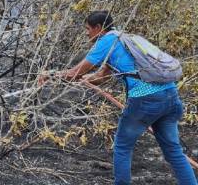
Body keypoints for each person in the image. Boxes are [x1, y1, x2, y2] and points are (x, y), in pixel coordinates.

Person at [39, 11, 197, 185]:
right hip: (171, 97)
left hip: (144, 101)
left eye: (88, 29)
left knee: (122, 148)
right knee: (174, 151)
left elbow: (74, 72)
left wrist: (50, 75)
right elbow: (102, 77)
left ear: (99, 28)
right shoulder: (125, 38)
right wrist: (85, 80)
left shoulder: (106, 41)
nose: (86, 33)